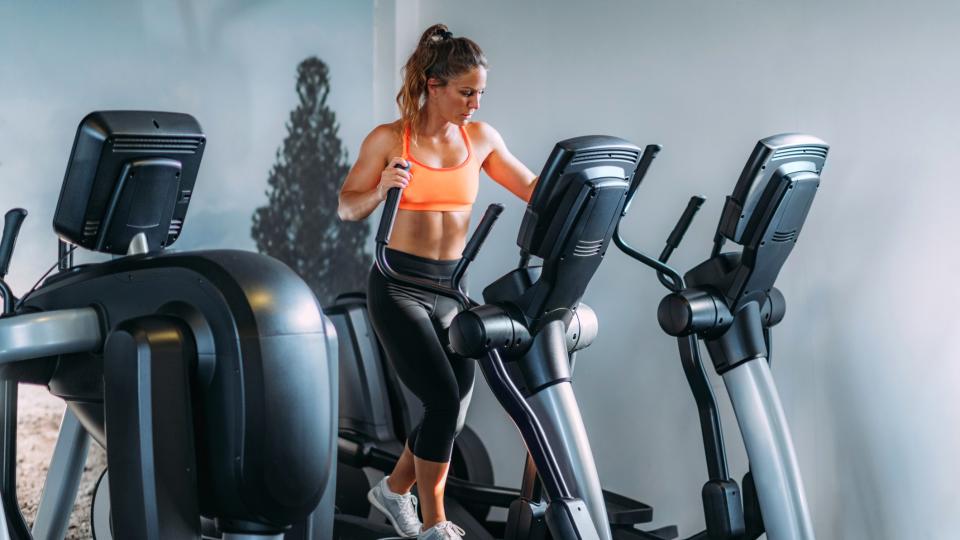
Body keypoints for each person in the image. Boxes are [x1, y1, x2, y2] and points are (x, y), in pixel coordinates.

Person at [337, 23, 537, 540]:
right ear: (434, 85)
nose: (475, 102)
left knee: (453, 407)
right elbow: (346, 206)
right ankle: (434, 522)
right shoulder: (389, 139)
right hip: (398, 284)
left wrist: (590, 192)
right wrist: (381, 187)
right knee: (443, 402)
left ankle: (393, 489)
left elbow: (534, 188)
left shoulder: (481, 138)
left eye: (480, 93)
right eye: (466, 91)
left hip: (451, 288)